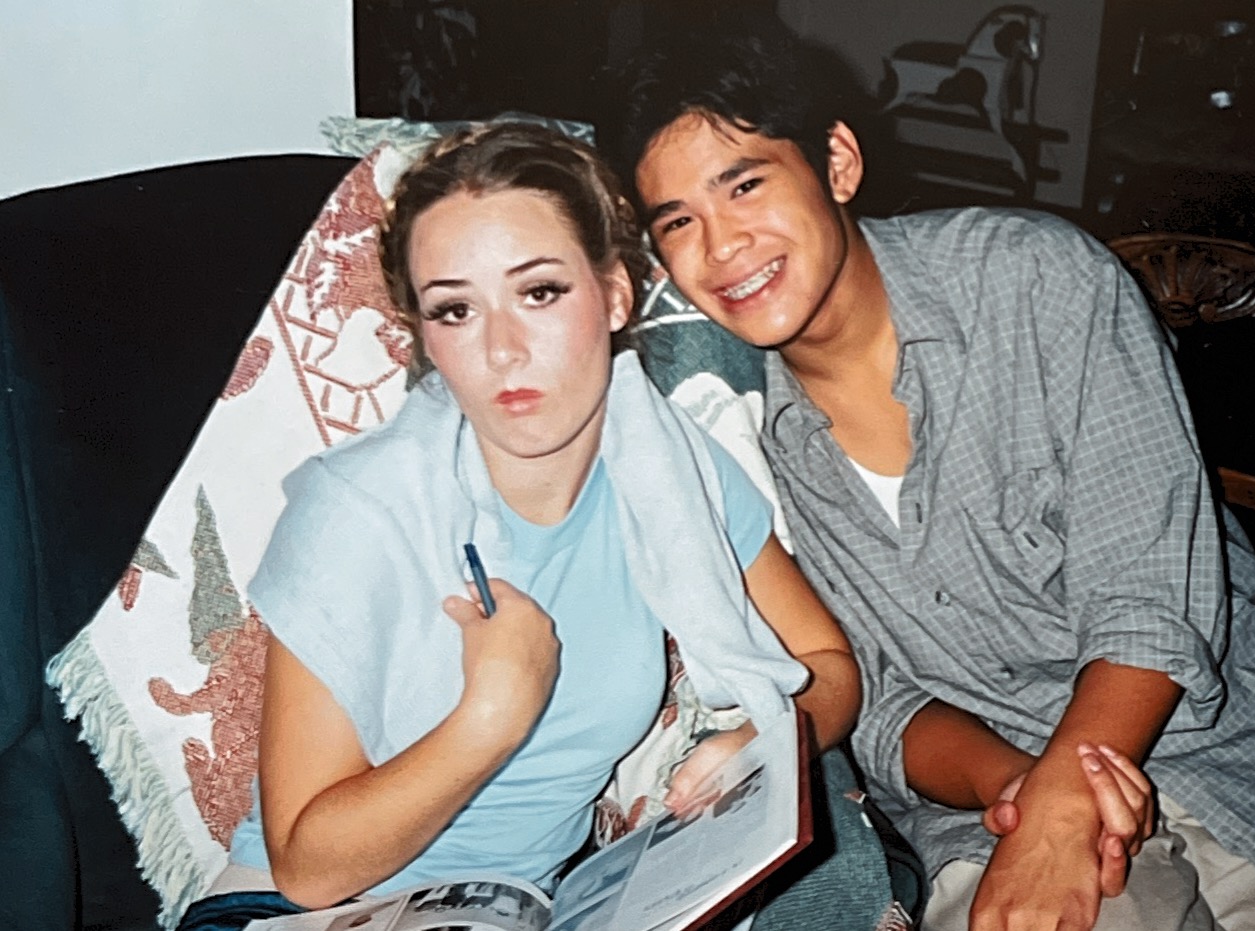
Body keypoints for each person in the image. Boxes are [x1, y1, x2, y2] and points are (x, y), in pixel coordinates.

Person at [614, 24, 1255, 931]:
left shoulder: (1033, 279)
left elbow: (1148, 598)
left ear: (836, 163)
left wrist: (1066, 800)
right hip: (985, 803)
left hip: (1223, 744)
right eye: (677, 222)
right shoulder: (734, 436)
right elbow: (879, 701)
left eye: (744, 184)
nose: (721, 245)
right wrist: (1023, 793)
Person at [174, 122, 860, 931]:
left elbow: (826, 666)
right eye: (455, 309)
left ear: (614, 294)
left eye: (538, 293)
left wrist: (764, 741)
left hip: (534, 909)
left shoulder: (673, 467)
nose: (502, 349)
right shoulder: (356, 509)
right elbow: (307, 866)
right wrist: (489, 717)